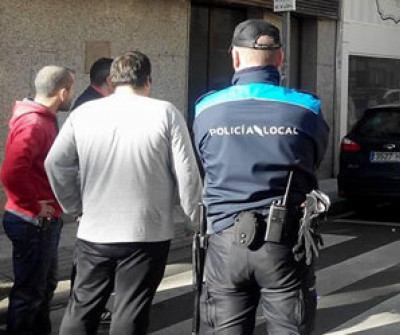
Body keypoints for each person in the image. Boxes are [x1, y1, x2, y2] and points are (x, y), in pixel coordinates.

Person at [45, 51, 202, 335]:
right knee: (131, 308)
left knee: (82, 307)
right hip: (147, 232)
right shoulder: (165, 112)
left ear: (113, 80)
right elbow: (187, 174)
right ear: (148, 81)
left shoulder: (84, 113)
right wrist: (194, 219)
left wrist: (75, 206)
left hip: (95, 230)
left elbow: (55, 162)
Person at [192, 19, 329, 334]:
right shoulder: (306, 108)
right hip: (284, 242)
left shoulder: (206, 109)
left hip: (223, 241)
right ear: (280, 58)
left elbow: (205, 162)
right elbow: (314, 161)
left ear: (235, 58)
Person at [0, 65, 74, 335]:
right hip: (33, 221)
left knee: (42, 288)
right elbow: (11, 171)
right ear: (63, 91)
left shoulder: (40, 118)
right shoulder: (34, 123)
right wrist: (33, 204)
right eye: (72, 89)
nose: (71, 95)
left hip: (40, 219)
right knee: (29, 294)